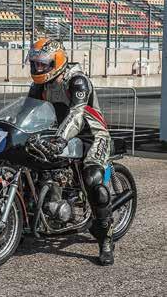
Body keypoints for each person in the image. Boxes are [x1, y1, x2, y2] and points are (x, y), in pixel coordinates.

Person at [26, 38, 114, 266]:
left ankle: (105, 240)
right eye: (35, 64)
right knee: (34, 164)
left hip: (91, 135)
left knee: (92, 178)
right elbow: (27, 112)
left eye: (43, 64)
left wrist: (59, 139)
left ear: (57, 61)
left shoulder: (77, 81)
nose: (38, 68)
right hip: (60, 135)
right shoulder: (39, 85)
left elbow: (76, 114)